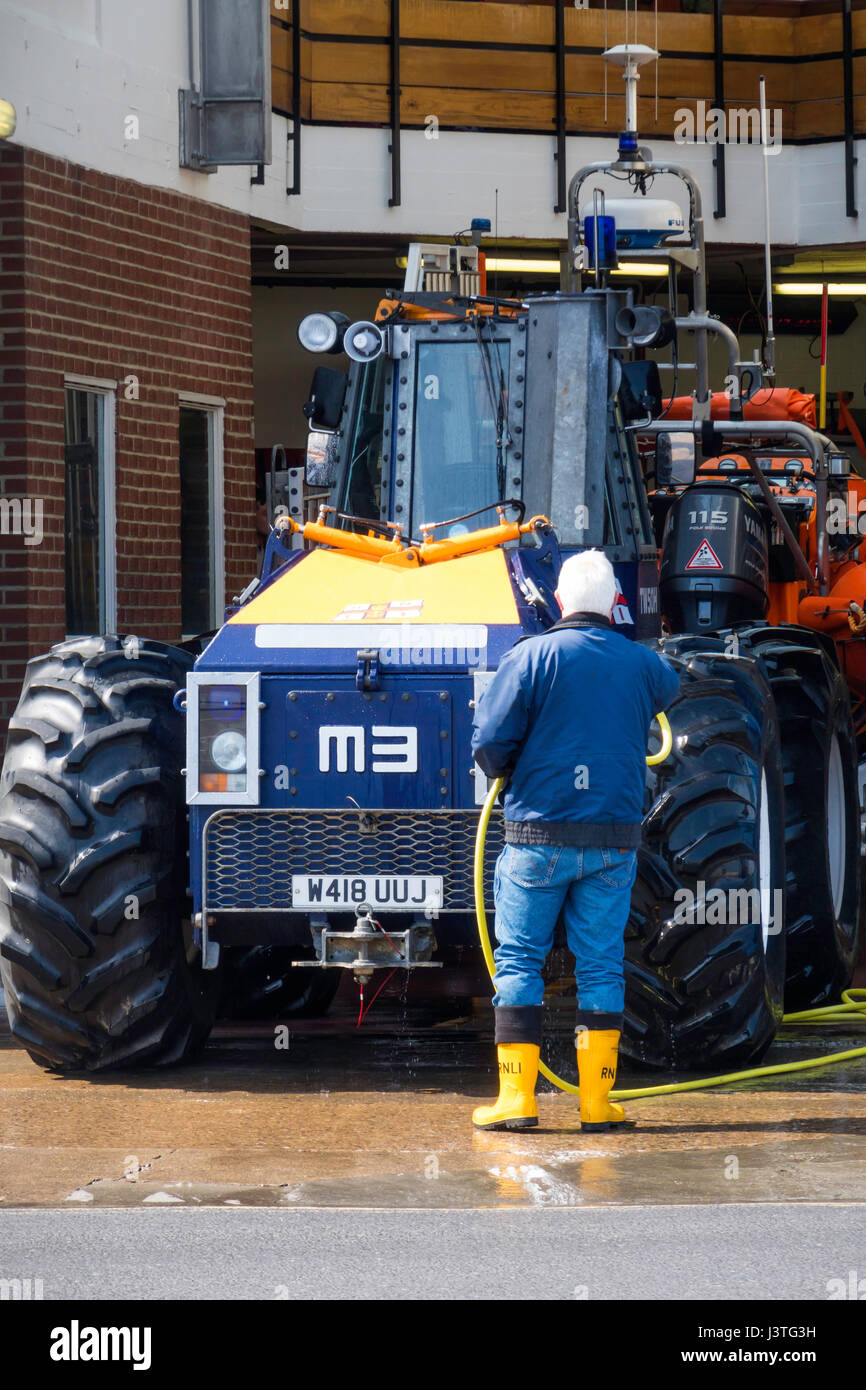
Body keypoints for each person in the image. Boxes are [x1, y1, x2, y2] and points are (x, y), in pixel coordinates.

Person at [470, 550, 679, 1132]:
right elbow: (671, 688)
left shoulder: (529, 657)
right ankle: (596, 1103)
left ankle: (517, 1101)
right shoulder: (641, 663)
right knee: (601, 966)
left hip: (537, 836)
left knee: (518, 960)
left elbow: (489, 739)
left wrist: (508, 769)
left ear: (560, 600)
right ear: (615, 602)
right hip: (612, 841)